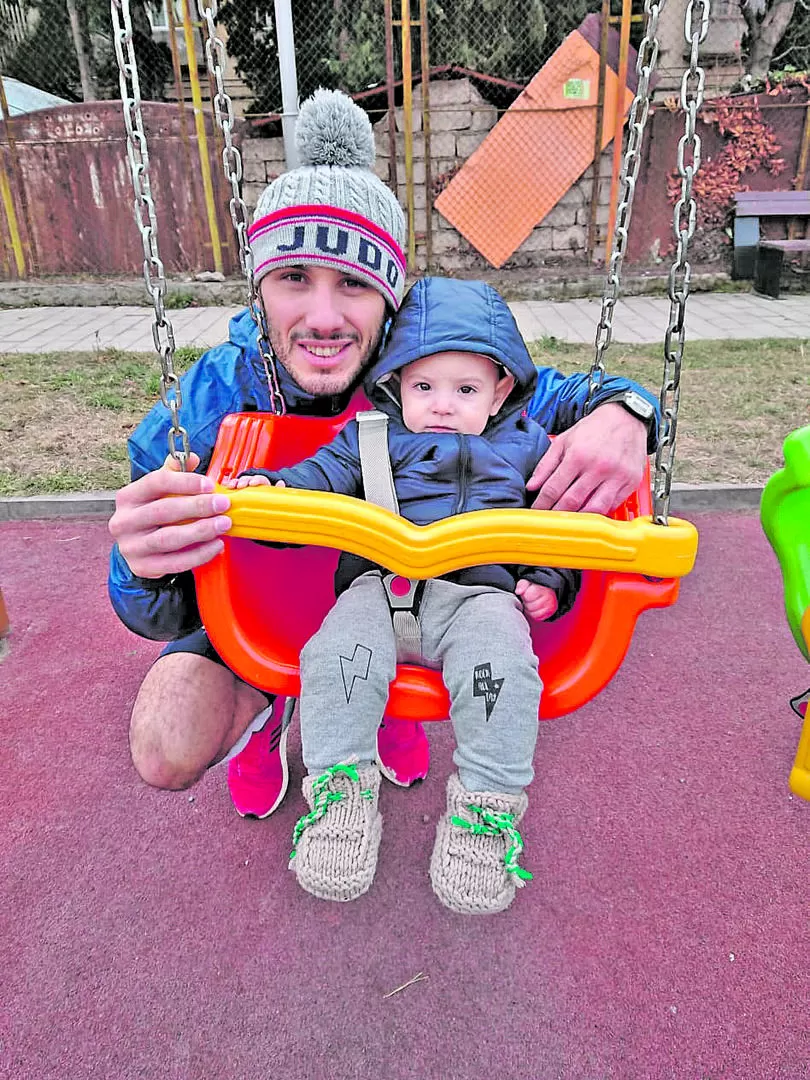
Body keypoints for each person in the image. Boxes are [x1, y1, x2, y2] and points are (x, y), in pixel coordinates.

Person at [107, 88, 659, 823]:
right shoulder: (210, 399)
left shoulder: (434, 367)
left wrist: (631, 412)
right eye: (295, 278)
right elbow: (157, 613)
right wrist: (145, 566)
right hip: (267, 592)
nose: (326, 318)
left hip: (407, 589)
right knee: (165, 744)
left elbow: (566, 394)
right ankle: (272, 704)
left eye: (356, 284)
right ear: (261, 288)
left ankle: (377, 697)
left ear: (391, 295)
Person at [228, 276, 581, 913]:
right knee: (333, 659)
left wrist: (550, 580)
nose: (442, 405)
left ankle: (483, 815)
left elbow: (562, 525)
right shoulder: (369, 439)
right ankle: (340, 799)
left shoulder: (529, 447)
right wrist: (270, 491)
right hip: (378, 589)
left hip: (479, 599)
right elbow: (316, 481)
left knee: (504, 670)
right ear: (396, 383)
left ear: (501, 389)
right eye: (424, 387)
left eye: (466, 389)